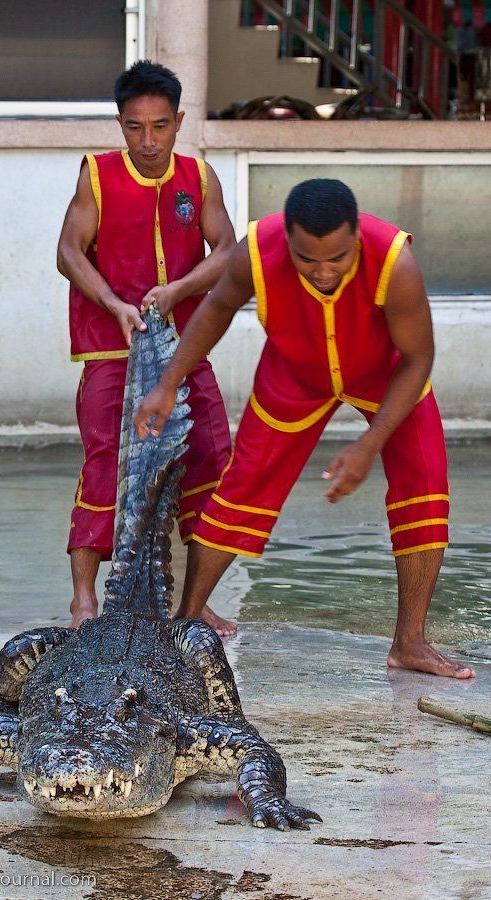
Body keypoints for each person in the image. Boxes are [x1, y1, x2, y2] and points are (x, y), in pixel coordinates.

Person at [134, 178, 475, 679]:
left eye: (336, 257)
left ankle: (409, 642)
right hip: (293, 373)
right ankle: (186, 623)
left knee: (424, 487)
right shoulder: (256, 251)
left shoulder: (394, 263)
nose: (322, 272)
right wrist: (168, 382)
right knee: (242, 488)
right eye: (305, 259)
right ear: (287, 239)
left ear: (356, 236)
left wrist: (370, 443)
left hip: (387, 376)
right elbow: (216, 310)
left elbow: (419, 356)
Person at [57, 61, 236, 634]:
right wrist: (114, 304)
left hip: (183, 345)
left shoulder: (199, 178)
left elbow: (228, 249)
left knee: (210, 456)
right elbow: (68, 252)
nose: (148, 140)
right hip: (111, 346)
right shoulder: (96, 174)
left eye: (160, 125)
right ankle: (84, 596)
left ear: (179, 121)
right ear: (120, 124)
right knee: (106, 459)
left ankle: (193, 598)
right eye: (135, 127)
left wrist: (182, 288)